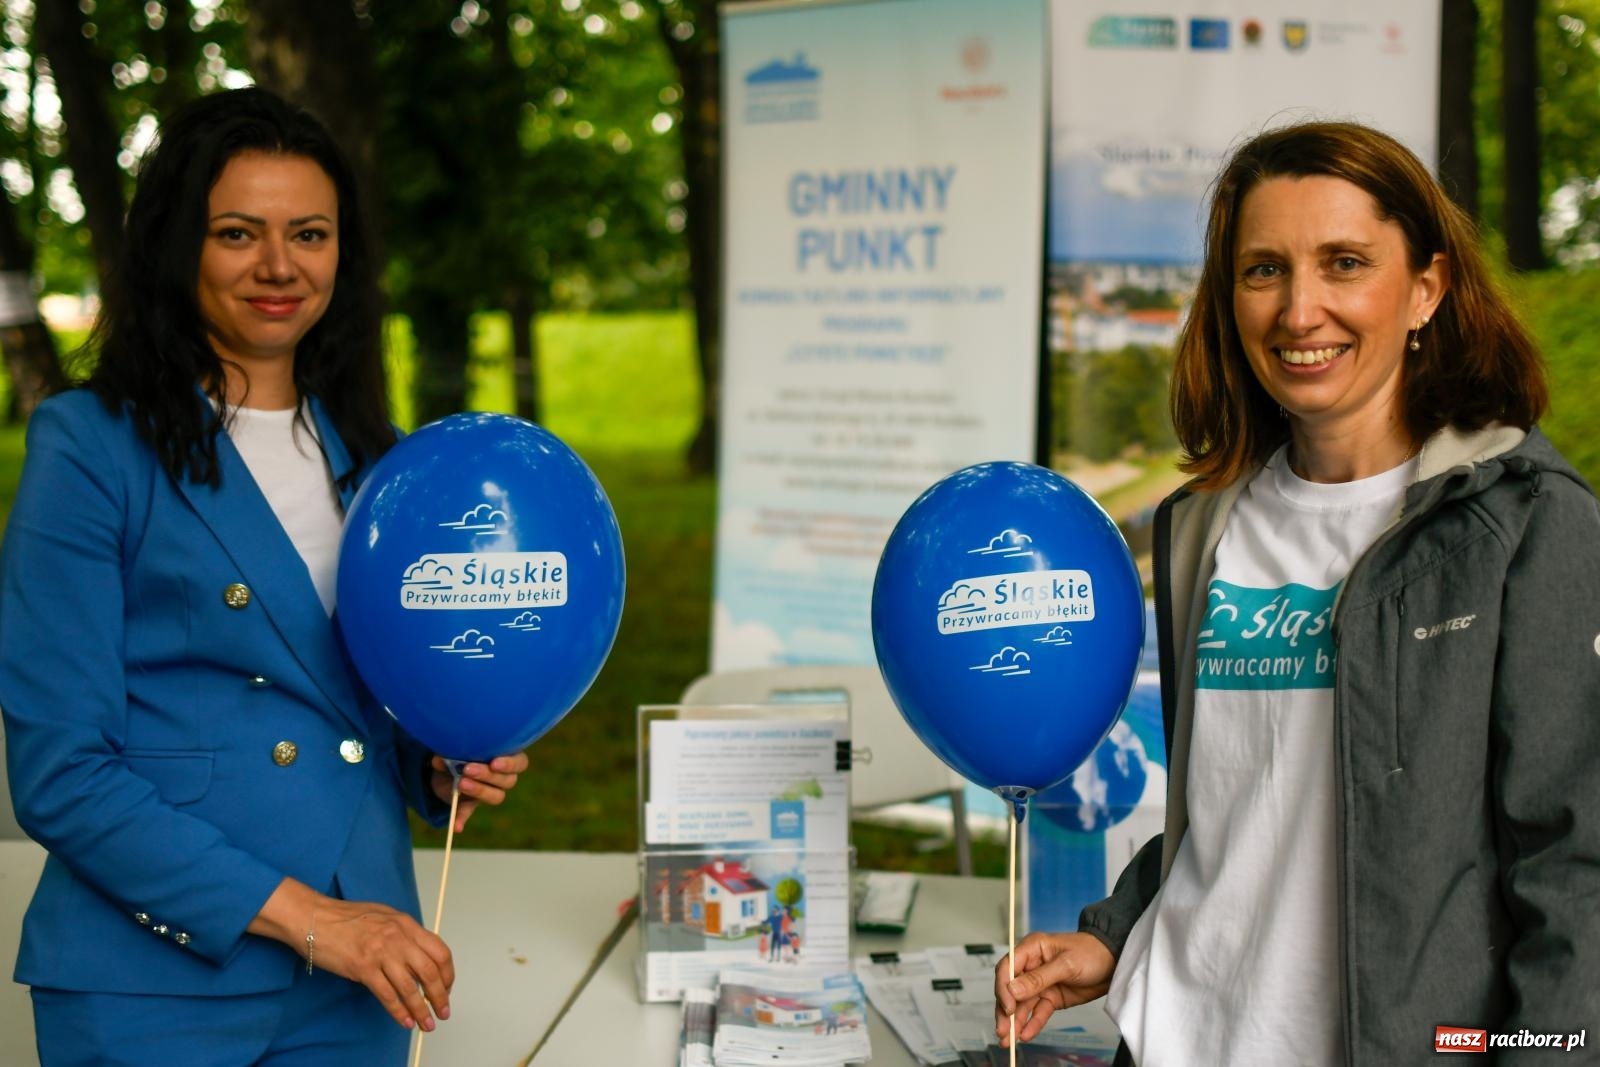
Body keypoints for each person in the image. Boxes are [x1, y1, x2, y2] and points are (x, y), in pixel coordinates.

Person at [996, 121, 1600, 1064]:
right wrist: (1114, 932)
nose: (1299, 310)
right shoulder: (1203, 523)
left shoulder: (1522, 522)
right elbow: (1245, 801)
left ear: (1426, 288)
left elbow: (1574, 869)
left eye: (1344, 263)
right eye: (1264, 270)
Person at [0, 88, 529, 1065]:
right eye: (238, 233)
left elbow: (346, 707)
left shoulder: (382, 459)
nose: (280, 266)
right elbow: (60, 772)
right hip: (156, 983)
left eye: (310, 234)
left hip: (363, 972)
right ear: (178, 248)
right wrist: (316, 920)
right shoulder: (90, 444)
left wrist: (436, 762)